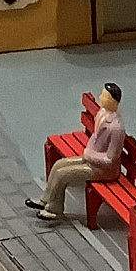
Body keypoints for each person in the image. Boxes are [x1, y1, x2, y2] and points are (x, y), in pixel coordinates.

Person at [29, 84, 126, 224]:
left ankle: (54, 209)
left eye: (104, 96)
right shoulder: (103, 114)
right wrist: (89, 153)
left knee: (63, 174)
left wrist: (89, 155)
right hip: (91, 159)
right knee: (59, 165)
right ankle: (45, 199)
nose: (100, 97)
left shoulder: (116, 128)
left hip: (103, 170)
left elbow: (110, 159)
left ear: (112, 101)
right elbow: (95, 138)